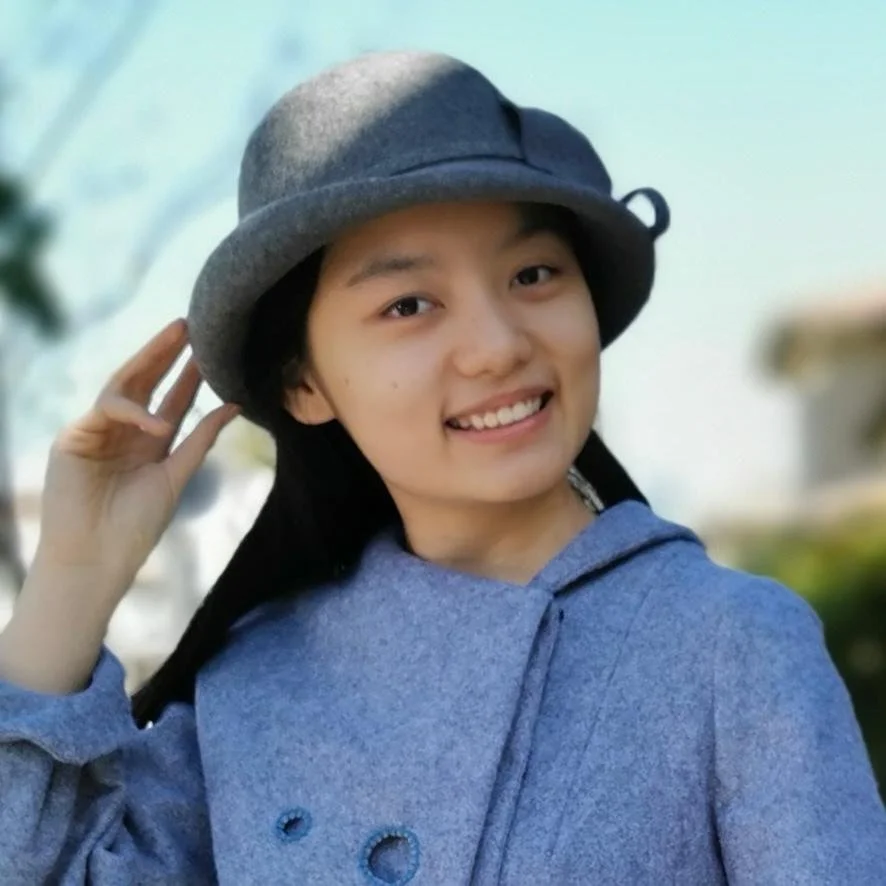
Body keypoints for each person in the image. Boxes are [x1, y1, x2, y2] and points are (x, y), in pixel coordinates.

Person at [0, 50, 884, 886]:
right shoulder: (255, 686)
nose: (499, 347)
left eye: (535, 273)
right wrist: (74, 578)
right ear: (304, 383)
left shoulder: (726, 642)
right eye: (409, 303)